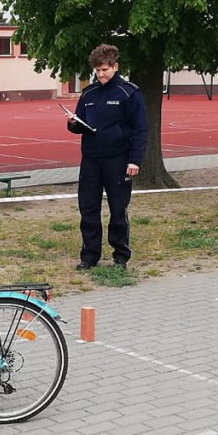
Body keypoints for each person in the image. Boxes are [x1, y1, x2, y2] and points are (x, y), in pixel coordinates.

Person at [66, 44, 148, 270]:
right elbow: (80, 124)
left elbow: (140, 129)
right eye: (97, 71)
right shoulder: (88, 94)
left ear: (115, 66)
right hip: (91, 160)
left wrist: (134, 160)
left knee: (118, 209)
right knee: (88, 208)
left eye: (105, 70)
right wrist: (73, 124)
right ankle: (89, 255)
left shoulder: (129, 92)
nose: (101, 74)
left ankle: (120, 255)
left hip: (119, 160)